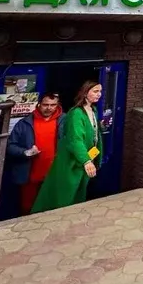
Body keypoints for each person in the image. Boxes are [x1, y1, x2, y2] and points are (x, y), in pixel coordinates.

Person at [32, 81, 104, 214]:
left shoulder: (93, 110)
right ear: (85, 92)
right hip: (72, 162)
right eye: (95, 91)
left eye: (100, 91)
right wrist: (86, 160)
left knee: (79, 192)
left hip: (84, 160)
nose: (99, 94)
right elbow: (75, 139)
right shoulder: (76, 113)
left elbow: (94, 133)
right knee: (66, 195)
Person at [5, 93, 63, 215]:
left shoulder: (65, 121)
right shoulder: (24, 123)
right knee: (28, 208)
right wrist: (25, 152)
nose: (49, 108)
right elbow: (10, 146)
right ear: (39, 104)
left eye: (53, 105)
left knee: (53, 207)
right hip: (30, 175)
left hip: (54, 174)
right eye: (45, 105)